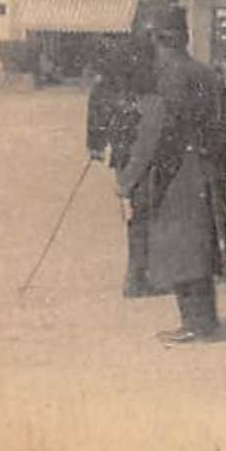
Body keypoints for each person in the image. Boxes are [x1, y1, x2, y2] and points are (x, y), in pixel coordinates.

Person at [116, 5, 226, 345]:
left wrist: (129, 177)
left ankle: (196, 325)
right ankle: (204, 322)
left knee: (182, 250)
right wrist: (221, 170)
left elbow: (155, 131)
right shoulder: (205, 72)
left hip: (178, 176)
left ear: (157, 38)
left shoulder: (169, 74)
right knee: (198, 248)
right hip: (203, 172)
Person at [87, 34, 157, 298]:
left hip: (122, 151)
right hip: (141, 151)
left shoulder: (106, 78)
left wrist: (95, 144)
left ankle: (137, 273)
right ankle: (138, 276)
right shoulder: (146, 72)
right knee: (144, 213)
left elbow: (96, 109)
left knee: (135, 214)